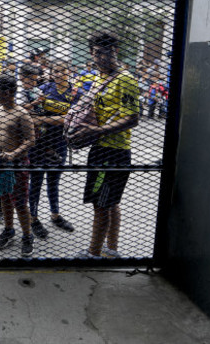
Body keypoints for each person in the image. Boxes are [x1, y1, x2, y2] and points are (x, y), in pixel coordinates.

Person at [73, 31, 139, 259]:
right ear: (91, 54)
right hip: (99, 148)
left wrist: (98, 131)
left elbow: (132, 118)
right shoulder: (99, 78)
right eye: (97, 53)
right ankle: (111, 248)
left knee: (101, 205)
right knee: (110, 203)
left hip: (114, 152)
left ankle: (93, 253)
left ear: (116, 52)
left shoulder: (126, 79)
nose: (102, 58)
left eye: (107, 53)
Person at [0, 74, 36, 257]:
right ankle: (9, 229)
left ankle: (27, 236)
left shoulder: (22, 114)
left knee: (20, 203)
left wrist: (13, 154)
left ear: (7, 92)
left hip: (17, 164)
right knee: (4, 198)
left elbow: (31, 140)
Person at [28, 60, 75, 238]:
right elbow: (31, 113)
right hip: (39, 142)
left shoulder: (75, 91)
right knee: (36, 181)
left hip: (60, 142)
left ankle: (55, 215)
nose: (58, 74)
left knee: (53, 180)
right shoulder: (43, 88)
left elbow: (71, 119)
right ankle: (33, 218)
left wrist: (44, 120)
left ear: (68, 72)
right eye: (55, 70)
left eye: (62, 70)